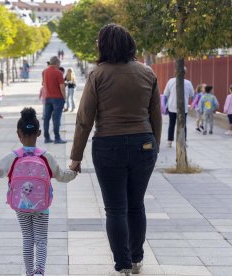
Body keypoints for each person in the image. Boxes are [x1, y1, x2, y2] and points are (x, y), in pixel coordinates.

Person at [69, 24, 162, 276]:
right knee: (136, 205)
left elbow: (84, 119)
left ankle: (122, 265)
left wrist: (75, 157)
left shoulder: (97, 75)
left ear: (105, 45)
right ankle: (136, 259)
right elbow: (156, 116)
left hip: (108, 145)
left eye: (99, 41)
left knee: (115, 209)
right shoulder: (148, 73)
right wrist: (155, 147)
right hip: (144, 143)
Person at [0, 107, 77, 276]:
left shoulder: (13, 157)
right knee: (41, 240)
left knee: (27, 239)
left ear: (19, 134)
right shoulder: (46, 156)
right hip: (41, 206)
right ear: (39, 133)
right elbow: (61, 176)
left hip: (20, 206)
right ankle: (40, 271)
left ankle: (30, 272)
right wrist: (74, 170)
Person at [163, 68, 194, 147]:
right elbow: (191, 94)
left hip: (172, 106)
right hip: (183, 107)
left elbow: (165, 93)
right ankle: (183, 141)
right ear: (185, 73)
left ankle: (169, 141)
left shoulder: (170, 81)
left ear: (175, 72)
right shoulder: (188, 83)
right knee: (183, 124)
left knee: (171, 124)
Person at [42, 56, 66, 144]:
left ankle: (47, 138)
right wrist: (64, 97)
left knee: (46, 118)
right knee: (56, 118)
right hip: (58, 98)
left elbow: (44, 84)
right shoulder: (58, 72)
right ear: (57, 63)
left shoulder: (44, 72)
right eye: (59, 63)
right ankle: (57, 138)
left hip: (47, 98)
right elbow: (62, 87)